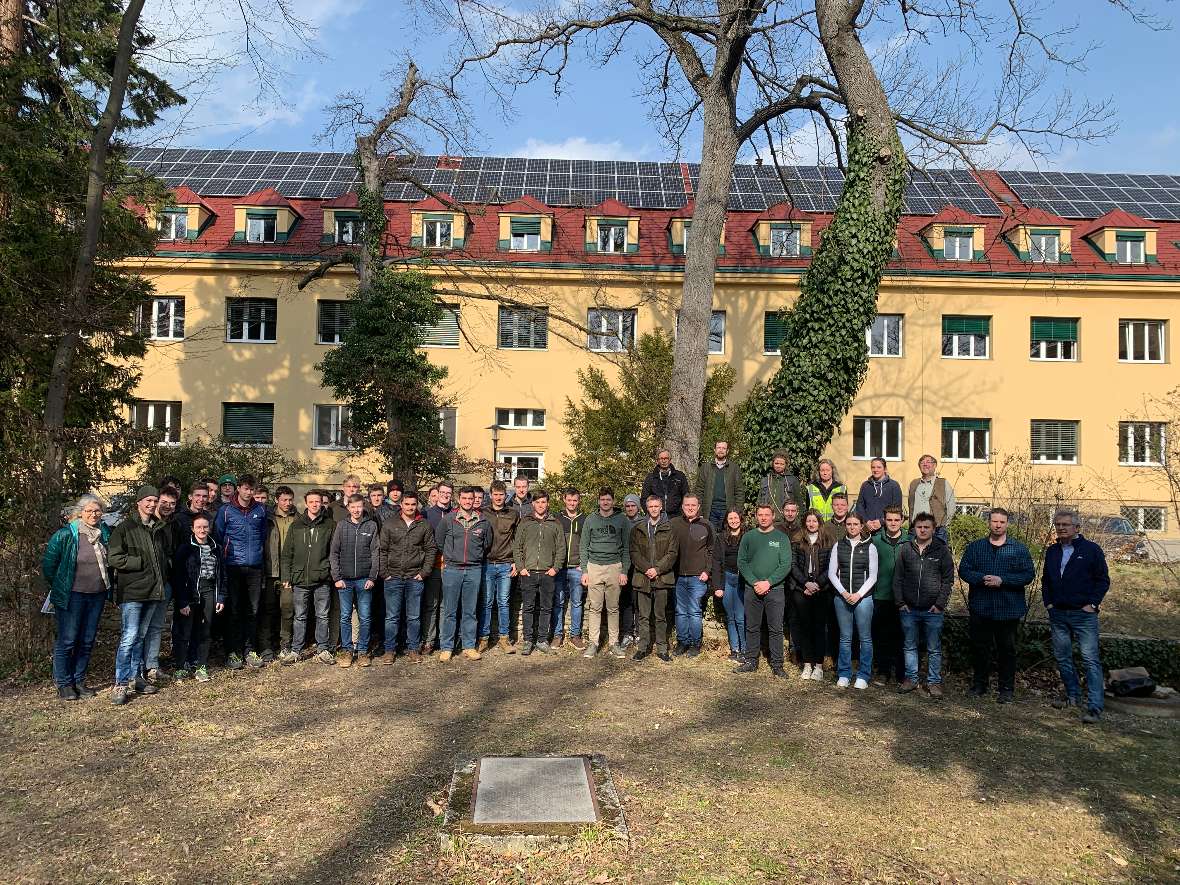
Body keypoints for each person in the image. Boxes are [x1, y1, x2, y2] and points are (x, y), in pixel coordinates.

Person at [958, 507, 1036, 703]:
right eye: (994, 521)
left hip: (1008, 608)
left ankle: (1006, 689)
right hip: (981, 606)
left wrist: (1004, 580)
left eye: (1002, 522)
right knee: (980, 648)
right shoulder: (976, 547)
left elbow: (1028, 575)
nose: (998, 525)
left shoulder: (1018, 549)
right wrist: (981, 578)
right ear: (989, 522)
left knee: (1007, 650)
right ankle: (979, 685)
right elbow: (964, 569)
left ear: (1007, 523)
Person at [1042, 509, 1110, 724]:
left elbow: (1102, 580)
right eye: (1058, 524)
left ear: (1077, 527)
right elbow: (1046, 580)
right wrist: (1049, 603)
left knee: (1090, 660)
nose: (1061, 528)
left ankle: (1095, 707)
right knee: (1063, 658)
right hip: (1058, 614)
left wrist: (1092, 604)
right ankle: (1073, 697)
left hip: (1083, 615)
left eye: (1065, 525)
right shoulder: (1052, 551)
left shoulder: (1091, 550)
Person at [107, 486, 171, 705]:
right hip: (133, 592)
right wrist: (138, 563)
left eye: (155, 500)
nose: (152, 504)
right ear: (138, 502)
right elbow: (114, 558)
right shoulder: (125, 528)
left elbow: (164, 559)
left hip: (154, 591)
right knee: (129, 637)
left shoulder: (159, 528)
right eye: (148, 500)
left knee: (141, 637)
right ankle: (121, 683)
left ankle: (137, 678)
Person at [43, 495, 111, 701]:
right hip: (72, 596)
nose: (94, 514)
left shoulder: (104, 533)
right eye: (89, 511)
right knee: (68, 639)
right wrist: (60, 585)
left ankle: (79, 680)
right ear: (81, 512)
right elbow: (49, 566)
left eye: (97, 511)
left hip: (97, 595)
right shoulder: (66, 535)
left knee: (87, 640)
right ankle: (64, 684)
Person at [893, 513, 955, 697]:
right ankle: (911, 679)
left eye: (926, 527)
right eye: (919, 527)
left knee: (934, 648)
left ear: (933, 529)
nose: (922, 530)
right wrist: (900, 602)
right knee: (909, 646)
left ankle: (934, 682)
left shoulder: (941, 550)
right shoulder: (906, 549)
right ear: (914, 529)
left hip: (933, 610)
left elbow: (947, 580)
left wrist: (940, 604)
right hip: (909, 609)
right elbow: (897, 578)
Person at [213, 474, 269, 670]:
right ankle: (233, 651)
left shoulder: (261, 509)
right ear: (239, 489)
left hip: (254, 567)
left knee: (253, 610)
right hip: (233, 566)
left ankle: (250, 649)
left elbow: (263, 535)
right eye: (245, 488)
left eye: (252, 489)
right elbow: (218, 536)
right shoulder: (225, 511)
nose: (249, 492)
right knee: (233, 610)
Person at [733, 504, 792, 677]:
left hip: (775, 590)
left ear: (773, 516)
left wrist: (769, 582)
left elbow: (785, 565)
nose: (764, 518)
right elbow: (742, 562)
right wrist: (754, 582)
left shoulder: (781, 538)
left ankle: (777, 664)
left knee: (775, 628)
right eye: (760, 515)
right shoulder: (749, 537)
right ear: (756, 517)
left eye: (767, 514)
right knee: (752, 626)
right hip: (752, 589)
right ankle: (751, 660)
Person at [435, 486, 493, 662]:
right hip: (452, 569)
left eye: (471, 498)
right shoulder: (449, 520)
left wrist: (475, 557)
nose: (468, 501)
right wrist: (452, 556)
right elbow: (439, 541)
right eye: (465, 498)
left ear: (475, 500)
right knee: (450, 611)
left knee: (470, 610)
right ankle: (447, 647)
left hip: (474, 569)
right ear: (459, 499)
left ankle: (468, 646)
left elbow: (487, 544)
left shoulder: (483, 521)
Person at [279, 490, 336, 666]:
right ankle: (296, 650)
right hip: (300, 578)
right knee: (300, 616)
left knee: (323, 615)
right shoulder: (296, 525)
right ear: (305, 503)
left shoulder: (330, 525)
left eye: (318, 501)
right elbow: (287, 553)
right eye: (311, 501)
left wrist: (330, 572)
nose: (315, 504)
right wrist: (287, 576)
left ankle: (323, 649)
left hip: (322, 579)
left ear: (322, 503)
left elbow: (333, 552)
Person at [379, 489, 436, 664]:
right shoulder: (389, 524)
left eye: (413, 504)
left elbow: (431, 549)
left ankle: (413, 649)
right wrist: (384, 573)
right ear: (401, 505)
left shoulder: (423, 525)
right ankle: (390, 650)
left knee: (413, 616)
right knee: (392, 617)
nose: (410, 507)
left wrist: (424, 572)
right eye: (407, 504)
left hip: (414, 577)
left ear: (417, 505)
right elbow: (382, 549)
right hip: (393, 577)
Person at [170, 514, 226, 682]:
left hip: (209, 592)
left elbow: (222, 575)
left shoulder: (216, 548)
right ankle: (180, 666)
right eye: (199, 527)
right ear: (192, 529)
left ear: (209, 528)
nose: (202, 530)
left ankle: (201, 666)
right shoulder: (185, 548)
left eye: (205, 527)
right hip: (190, 593)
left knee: (205, 631)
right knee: (185, 631)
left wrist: (221, 597)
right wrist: (182, 601)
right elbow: (178, 576)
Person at [579, 486, 631, 658]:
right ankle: (593, 643)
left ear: (613, 501)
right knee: (594, 607)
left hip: (614, 567)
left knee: (613, 607)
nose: (605, 502)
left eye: (608, 499)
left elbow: (626, 548)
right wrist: (585, 571)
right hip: (594, 567)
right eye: (602, 499)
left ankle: (614, 643)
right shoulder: (590, 520)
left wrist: (624, 571)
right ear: (598, 501)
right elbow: (583, 547)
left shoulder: (622, 520)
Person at [827, 512, 878, 689]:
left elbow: (872, 576)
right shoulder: (838, 546)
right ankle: (844, 673)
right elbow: (832, 573)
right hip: (842, 598)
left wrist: (858, 594)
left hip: (863, 599)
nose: (852, 527)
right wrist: (843, 593)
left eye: (855, 524)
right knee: (845, 638)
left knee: (865, 638)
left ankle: (863, 675)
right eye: (849, 524)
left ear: (861, 526)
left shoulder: (870, 547)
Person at [329, 494, 380, 667]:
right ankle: (347, 651)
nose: (356, 510)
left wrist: (372, 577)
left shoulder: (371, 526)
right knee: (345, 616)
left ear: (363, 507)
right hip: (345, 581)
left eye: (359, 507)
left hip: (364, 579)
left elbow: (375, 553)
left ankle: (363, 651)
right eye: (353, 507)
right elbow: (334, 552)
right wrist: (337, 577)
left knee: (365, 617)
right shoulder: (342, 526)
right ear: (348, 508)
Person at [513, 489, 565, 655]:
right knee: (528, 607)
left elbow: (561, 548)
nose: (540, 505)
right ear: (533, 504)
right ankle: (528, 640)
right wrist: (521, 568)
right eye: (537, 502)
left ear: (547, 503)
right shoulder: (525, 522)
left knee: (546, 607)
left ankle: (542, 640)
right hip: (528, 573)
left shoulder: (555, 523)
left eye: (543, 502)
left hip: (547, 573)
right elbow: (517, 546)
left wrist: (555, 568)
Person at [630, 495, 679, 662]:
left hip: (662, 578)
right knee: (643, 616)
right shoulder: (638, 529)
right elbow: (634, 552)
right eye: (650, 506)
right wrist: (646, 569)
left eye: (656, 506)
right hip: (642, 577)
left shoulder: (669, 528)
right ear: (646, 507)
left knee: (661, 616)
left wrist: (657, 569)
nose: (653, 509)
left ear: (661, 507)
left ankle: (662, 649)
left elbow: (672, 553)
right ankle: (642, 648)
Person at [789, 509, 832, 681]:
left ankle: (819, 666)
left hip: (822, 590)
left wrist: (818, 584)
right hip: (802, 589)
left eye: (814, 521)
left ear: (819, 523)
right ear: (804, 523)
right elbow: (793, 565)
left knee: (819, 628)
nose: (811, 524)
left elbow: (831, 566)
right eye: (808, 521)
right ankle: (807, 664)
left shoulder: (828, 541)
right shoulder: (798, 541)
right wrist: (805, 583)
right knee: (805, 627)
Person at [142, 486, 180, 683]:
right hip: (147, 584)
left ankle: (152, 666)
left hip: (165, 582)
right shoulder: (147, 524)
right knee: (142, 627)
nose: (167, 506)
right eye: (164, 502)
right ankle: (138, 667)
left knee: (156, 626)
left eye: (172, 504)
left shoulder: (172, 524)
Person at [669, 494, 715, 657]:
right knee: (680, 611)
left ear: (698, 507)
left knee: (694, 611)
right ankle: (682, 642)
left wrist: (707, 571)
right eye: (687, 505)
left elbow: (711, 551)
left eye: (693, 505)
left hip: (698, 577)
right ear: (682, 506)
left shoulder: (706, 525)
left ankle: (695, 644)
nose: (690, 508)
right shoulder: (674, 524)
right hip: (678, 576)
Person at [480, 480, 520, 653]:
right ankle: (483, 638)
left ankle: (504, 638)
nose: (498, 497)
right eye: (495, 494)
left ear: (506, 495)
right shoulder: (482, 513)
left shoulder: (513, 513)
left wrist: (516, 562)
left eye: (501, 494)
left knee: (504, 602)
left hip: (505, 564)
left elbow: (518, 540)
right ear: (490, 495)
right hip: (487, 564)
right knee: (487, 602)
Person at [870, 506, 906, 686]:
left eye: (896, 520)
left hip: (904, 599)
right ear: (884, 520)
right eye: (889, 520)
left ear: (902, 521)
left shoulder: (910, 541)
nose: (893, 523)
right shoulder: (875, 541)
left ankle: (901, 673)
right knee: (882, 636)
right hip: (881, 596)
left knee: (902, 636)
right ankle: (883, 672)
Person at [267, 486, 299, 662]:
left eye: (290, 500)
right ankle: (267, 645)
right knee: (269, 609)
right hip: (270, 569)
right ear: (277, 500)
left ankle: (285, 644)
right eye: (284, 500)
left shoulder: (298, 518)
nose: (287, 503)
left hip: (290, 571)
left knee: (287, 608)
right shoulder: (267, 518)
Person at [420, 480, 453, 654]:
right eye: (443, 492)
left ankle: (444, 639)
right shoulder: (426, 513)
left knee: (446, 605)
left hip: (451, 566)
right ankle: (429, 640)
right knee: (431, 605)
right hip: (432, 565)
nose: (445, 495)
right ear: (437, 493)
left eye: (449, 493)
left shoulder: (455, 513)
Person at [553, 488, 587, 649]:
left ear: (578, 501)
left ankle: (575, 635)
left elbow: (588, 544)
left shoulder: (584, 519)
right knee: (558, 602)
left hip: (576, 568)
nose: (572, 503)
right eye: (569, 500)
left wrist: (584, 565)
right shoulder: (557, 519)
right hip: (559, 568)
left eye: (575, 500)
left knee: (576, 602)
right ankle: (557, 635)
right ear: (564, 500)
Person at [712, 509, 747, 663]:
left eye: (736, 518)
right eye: (730, 518)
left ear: (741, 519)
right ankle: (735, 649)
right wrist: (717, 586)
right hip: (727, 579)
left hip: (742, 580)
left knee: (740, 617)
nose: (733, 521)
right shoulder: (720, 538)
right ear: (727, 521)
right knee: (731, 617)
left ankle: (745, 649)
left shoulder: (748, 536)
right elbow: (717, 562)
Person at [908, 454, 956, 542]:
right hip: (915, 529)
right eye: (922, 462)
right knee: (913, 555)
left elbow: (951, 507)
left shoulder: (943, 483)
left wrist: (943, 525)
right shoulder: (913, 484)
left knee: (937, 555)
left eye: (928, 462)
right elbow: (910, 505)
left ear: (934, 465)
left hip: (937, 530)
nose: (925, 464)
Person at [698, 440, 744, 530]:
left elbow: (740, 492)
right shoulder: (705, 468)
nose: (721, 450)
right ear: (714, 450)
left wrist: (738, 511)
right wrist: (700, 511)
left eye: (724, 448)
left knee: (727, 536)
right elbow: (699, 490)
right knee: (711, 537)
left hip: (728, 509)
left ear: (727, 451)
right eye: (719, 448)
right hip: (710, 509)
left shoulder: (734, 468)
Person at [854, 458, 903, 535]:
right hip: (868, 528)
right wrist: (866, 521)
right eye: (873, 467)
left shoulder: (893, 485)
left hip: (886, 529)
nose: (875, 470)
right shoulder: (865, 485)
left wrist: (881, 521)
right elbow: (860, 505)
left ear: (885, 469)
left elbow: (897, 508)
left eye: (879, 467)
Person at [641, 449, 689, 518]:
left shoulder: (680, 476)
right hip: (657, 517)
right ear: (657, 461)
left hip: (677, 516)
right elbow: (644, 498)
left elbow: (686, 496)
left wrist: (682, 513)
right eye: (661, 458)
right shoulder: (650, 478)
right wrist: (650, 514)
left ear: (670, 460)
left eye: (666, 458)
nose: (664, 461)